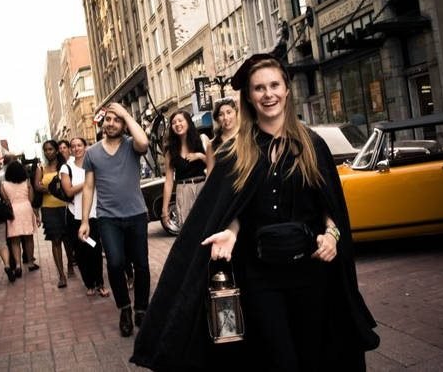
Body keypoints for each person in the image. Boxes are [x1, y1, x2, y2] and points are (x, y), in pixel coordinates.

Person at [131, 54, 379, 370]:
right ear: (249, 97)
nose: (268, 94)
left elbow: (329, 207)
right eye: (259, 88)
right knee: (277, 358)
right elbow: (233, 207)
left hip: (311, 271)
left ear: (286, 90)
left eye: (274, 85)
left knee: (315, 354)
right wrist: (230, 232)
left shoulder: (312, 145)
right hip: (260, 275)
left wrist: (331, 235)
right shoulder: (237, 152)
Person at [79, 102, 150, 337]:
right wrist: (85, 221)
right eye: (108, 119)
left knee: (141, 264)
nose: (111, 123)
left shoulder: (132, 145)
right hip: (108, 217)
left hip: (136, 214)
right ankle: (125, 309)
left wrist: (125, 114)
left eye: (116, 120)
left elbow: (144, 142)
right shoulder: (92, 153)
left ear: (124, 124)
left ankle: (141, 308)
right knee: (115, 263)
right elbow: (88, 187)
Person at [61, 137, 109, 297]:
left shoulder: (93, 163)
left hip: (94, 213)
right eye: (73, 146)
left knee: (95, 248)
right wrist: (89, 182)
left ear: (85, 147)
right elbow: (68, 191)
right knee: (81, 251)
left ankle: (100, 283)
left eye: (79, 145)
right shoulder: (66, 167)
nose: (76, 148)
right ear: (70, 149)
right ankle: (89, 284)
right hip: (75, 217)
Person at [161, 110, 209, 229]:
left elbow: (214, 165)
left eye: (180, 120)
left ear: (188, 122)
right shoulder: (170, 151)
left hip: (203, 187)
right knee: (188, 230)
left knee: (208, 227)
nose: (177, 124)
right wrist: (165, 209)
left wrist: (200, 156)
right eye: (173, 122)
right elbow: (169, 181)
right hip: (183, 191)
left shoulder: (202, 139)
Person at [34, 140, 71, 288]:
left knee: (68, 239)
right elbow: (37, 186)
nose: (48, 152)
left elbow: (69, 185)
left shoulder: (64, 166)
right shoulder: (41, 168)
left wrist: (49, 188)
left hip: (66, 207)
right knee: (55, 240)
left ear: (56, 150)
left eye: (50, 149)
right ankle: (61, 275)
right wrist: (53, 189)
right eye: (45, 150)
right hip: (48, 208)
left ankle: (70, 264)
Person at [1, 160, 38, 278]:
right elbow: (31, 199)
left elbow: (6, 200)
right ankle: (31, 263)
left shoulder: (4, 184)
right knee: (28, 238)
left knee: (14, 240)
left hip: (13, 211)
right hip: (26, 208)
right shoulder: (27, 182)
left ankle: (18, 265)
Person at [57, 140, 77, 277]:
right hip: (65, 207)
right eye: (60, 148)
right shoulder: (59, 166)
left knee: (89, 239)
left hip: (79, 205)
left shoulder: (75, 162)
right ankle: (72, 261)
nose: (62, 150)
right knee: (68, 237)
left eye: (65, 147)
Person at [206, 97, 238, 174]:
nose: (226, 117)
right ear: (217, 119)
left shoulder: (248, 137)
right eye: (221, 114)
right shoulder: (212, 145)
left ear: (236, 113)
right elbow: (210, 174)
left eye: (229, 112)